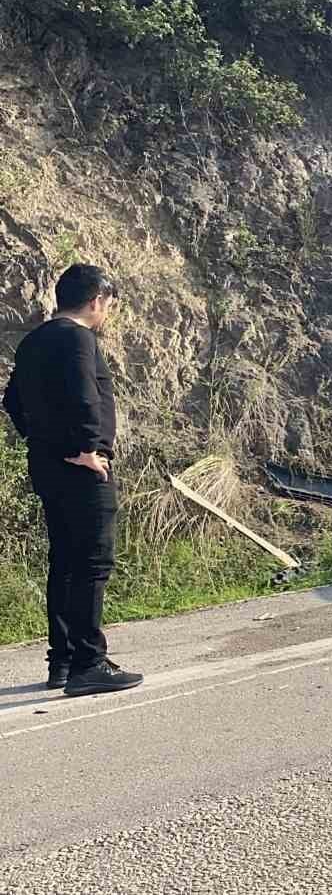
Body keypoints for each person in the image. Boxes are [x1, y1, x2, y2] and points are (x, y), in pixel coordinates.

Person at [1, 264, 143, 696]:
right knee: (92, 563)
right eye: (109, 305)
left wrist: (43, 442)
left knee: (64, 561)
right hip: (81, 468)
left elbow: (11, 401)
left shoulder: (34, 341)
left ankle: (61, 662)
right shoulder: (79, 338)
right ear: (96, 300)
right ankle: (88, 664)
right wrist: (86, 449)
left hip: (46, 466)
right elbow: (86, 397)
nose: (107, 314)